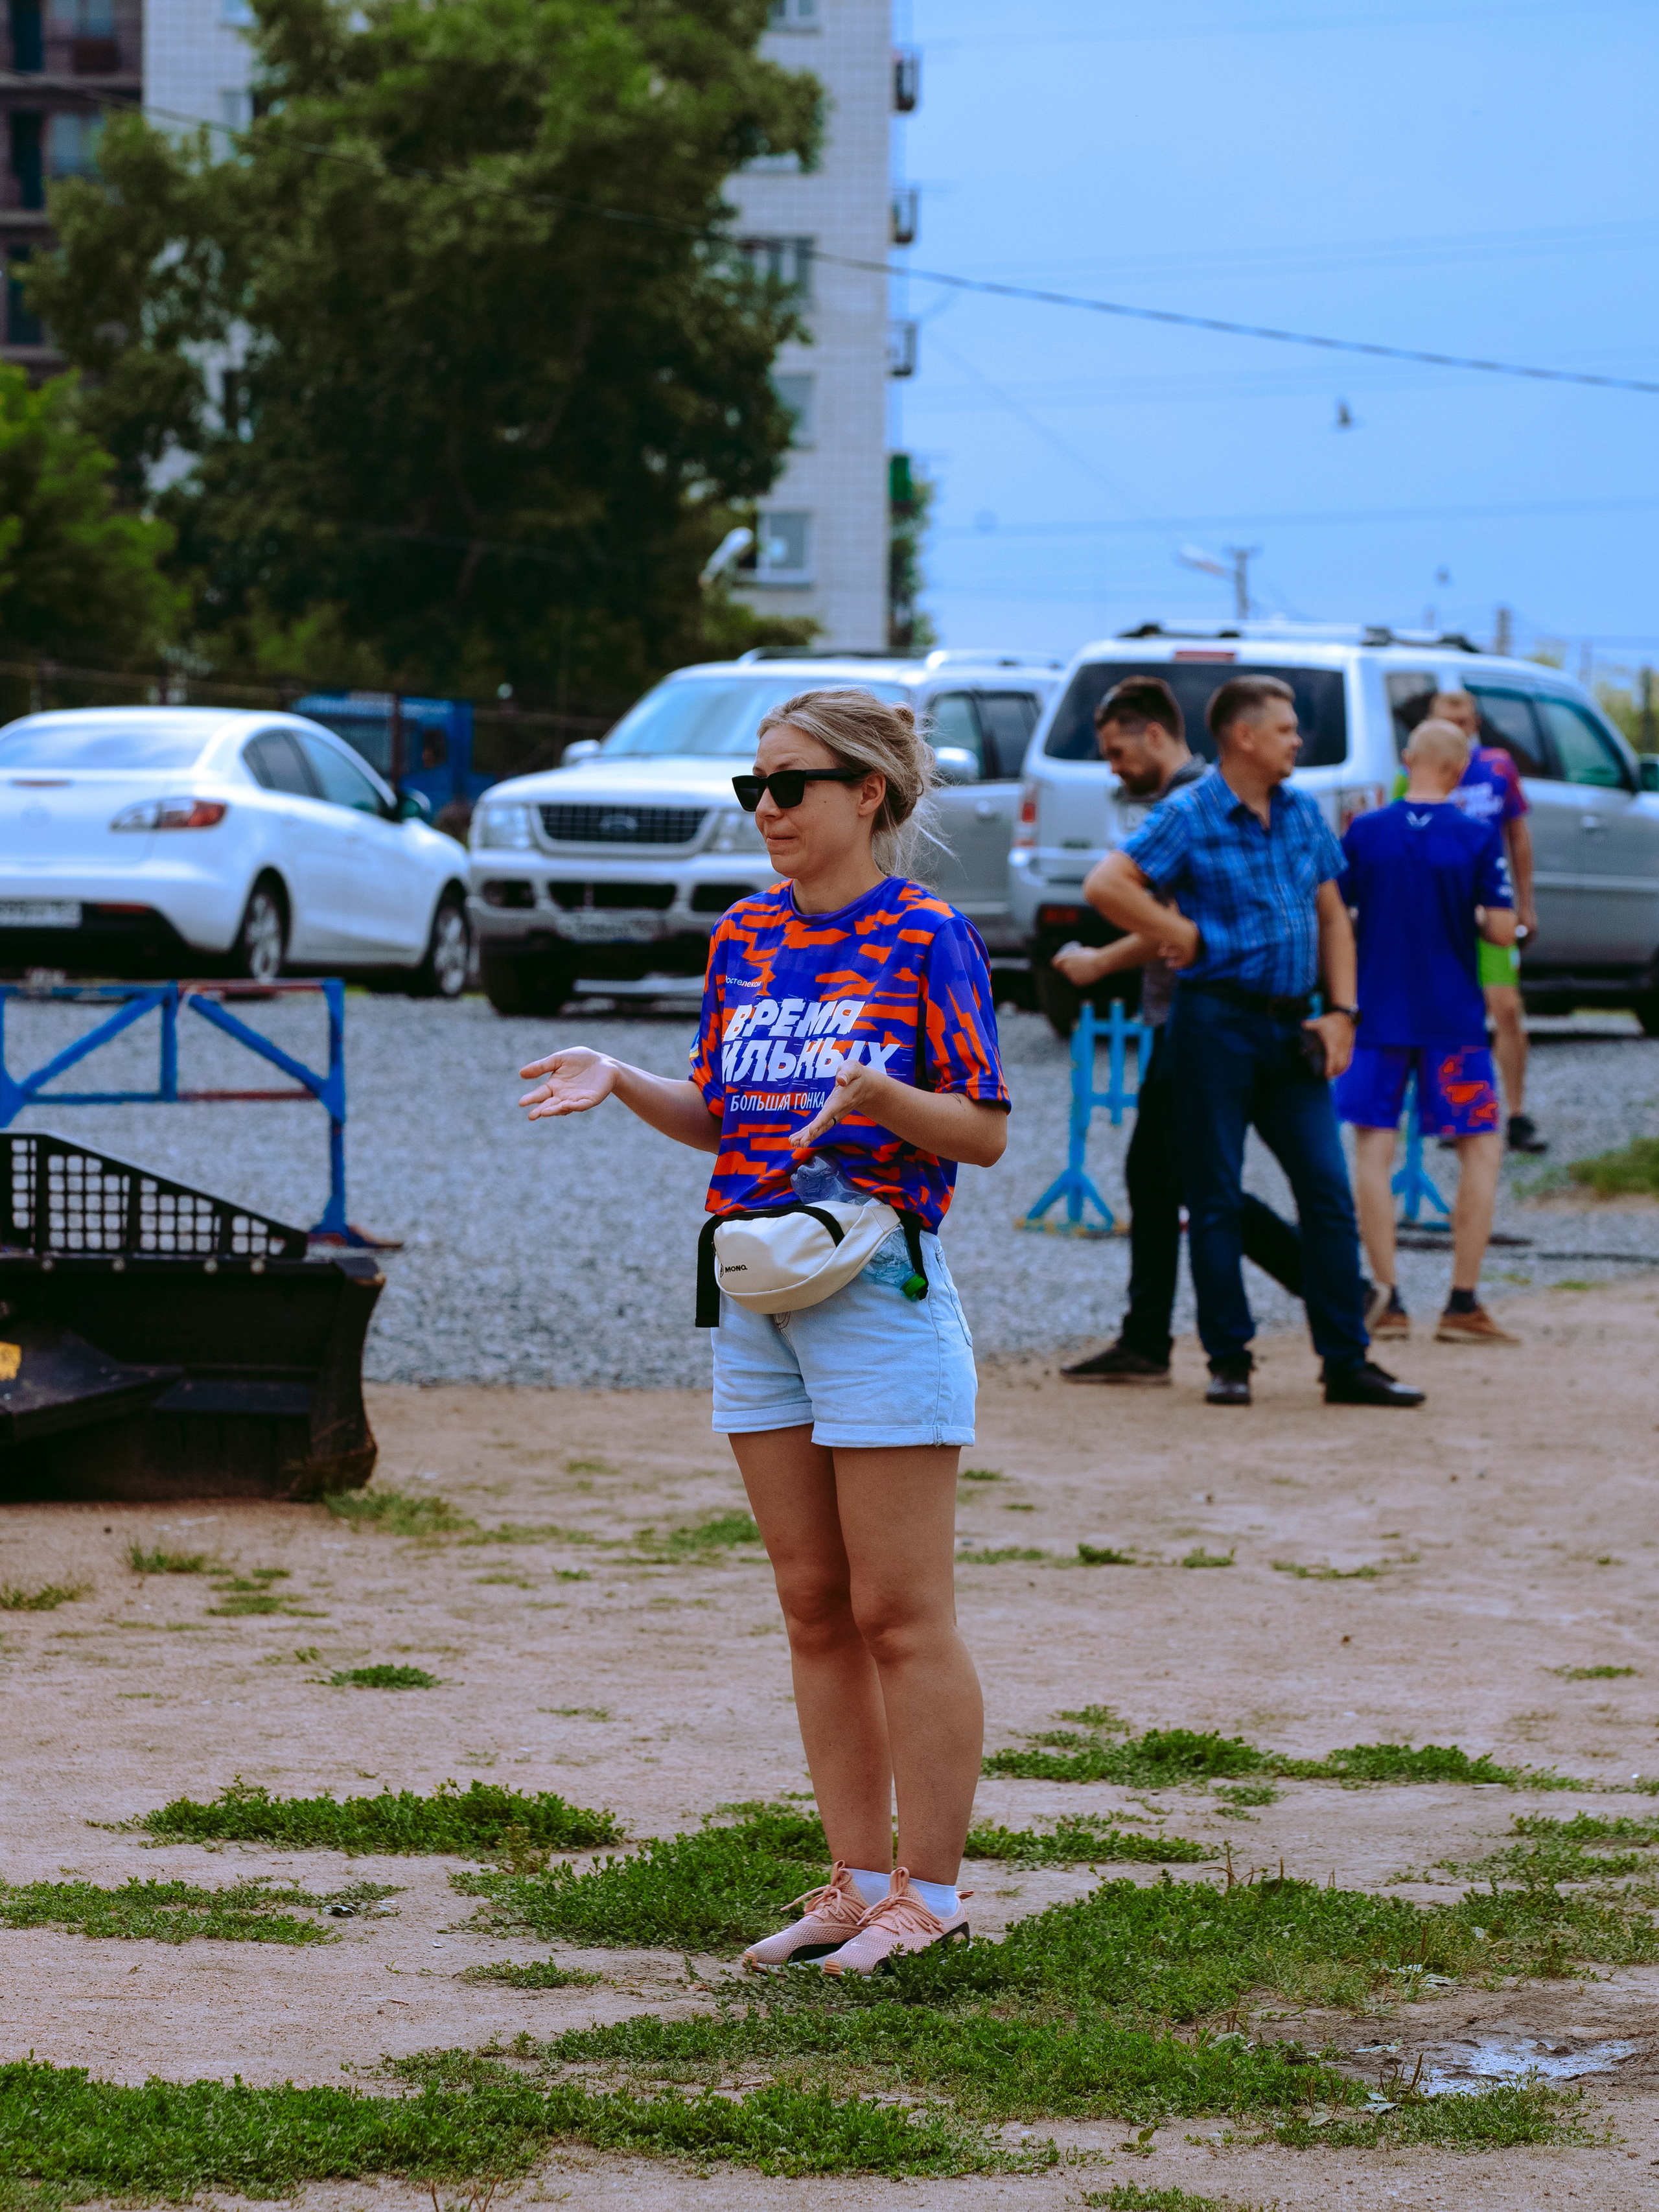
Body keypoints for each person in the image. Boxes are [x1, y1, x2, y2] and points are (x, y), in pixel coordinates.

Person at [516, 688, 1010, 1975]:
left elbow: (980, 1128)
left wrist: (881, 1093)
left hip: (875, 1284)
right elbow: (725, 1114)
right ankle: (852, 1882)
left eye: (790, 784)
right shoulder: (740, 934)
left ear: (869, 795)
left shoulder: (925, 934)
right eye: (755, 786)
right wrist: (624, 1083)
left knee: (897, 1606)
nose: (767, 809)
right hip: (752, 1294)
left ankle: (933, 1893)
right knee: (810, 1604)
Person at [1085, 673, 1424, 1410]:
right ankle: (1228, 1360)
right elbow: (1107, 884)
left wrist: (1341, 1011)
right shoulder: (1191, 811)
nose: (1297, 739)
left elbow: (1333, 916)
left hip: (1292, 1025)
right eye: (1285, 727)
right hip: (1214, 1024)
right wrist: (1180, 934)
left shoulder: (1302, 812)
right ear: (1243, 735)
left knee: (1327, 1194)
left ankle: (1346, 1362)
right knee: (1214, 1198)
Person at [1049, 676, 1304, 1386]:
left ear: (1154, 733)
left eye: (1115, 749)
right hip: (1184, 1016)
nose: (1112, 766)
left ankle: (1324, 1283)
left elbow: (1184, 929)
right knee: (1164, 1178)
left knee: (1194, 1179)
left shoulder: (1185, 805)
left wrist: (1100, 959)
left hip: (1196, 1019)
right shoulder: (1193, 797)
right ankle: (1147, 1338)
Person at [1336, 717, 1518, 1345]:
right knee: (1480, 1147)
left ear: (1408, 758)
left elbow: (1338, 909)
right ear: (1462, 768)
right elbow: (1500, 927)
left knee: (1371, 1150)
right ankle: (1462, 1301)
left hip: (1376, 1014)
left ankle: (1385, 1299)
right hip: (1452, 1021)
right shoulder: (1474, 834)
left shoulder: (1364, 831)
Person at [1427, 689, 1544, 1154]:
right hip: (1442, 913)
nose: (1458, 728)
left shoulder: (1498, 766)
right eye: (1448, 721)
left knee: (1507, 1008)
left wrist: (1526, 903)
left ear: (1475, 723)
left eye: (1465, 720)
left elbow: (1518, 834)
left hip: (1490, 907)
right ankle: (1458, 1111)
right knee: (1454, 1010)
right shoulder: (1417, 772)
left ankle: (1516, 1113)